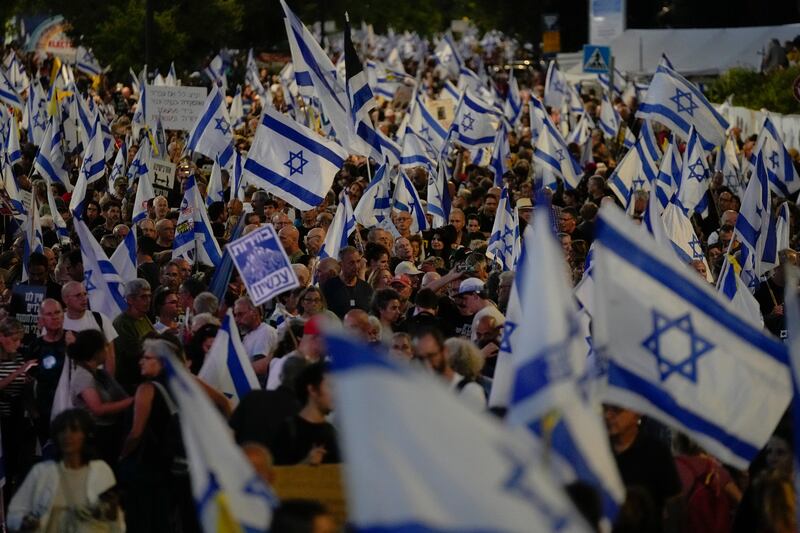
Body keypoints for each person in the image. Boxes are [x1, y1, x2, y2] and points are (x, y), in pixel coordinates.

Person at [8, 409, 125, 532]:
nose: (67, 435)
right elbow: (15, 514)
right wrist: (25, 521)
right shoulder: (41, 472)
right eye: (62, 430)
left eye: (74, 429)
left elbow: (116, 521)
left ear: (86, 434)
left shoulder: (100, 470)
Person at [603, 405, 682, 524]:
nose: (607, 415)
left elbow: (674, 505)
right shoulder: (596, 449)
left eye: (617, 410)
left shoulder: (656, 452)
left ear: (637, 413)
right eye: (605, 408)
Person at [68, 330, 132, 465]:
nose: (108, 350)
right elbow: (98, 409)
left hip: (107, 436)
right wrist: (131, 401)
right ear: (96, 352)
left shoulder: (100, 374)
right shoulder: (83, 376)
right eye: (105, 346)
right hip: (94, 438)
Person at [271, 362, 340, 465]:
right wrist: (305, 464)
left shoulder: (333, 435)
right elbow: (276, 477)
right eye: (331, 386)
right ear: (312, 389)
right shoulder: (287, 430)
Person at [0, 317, 38, 497]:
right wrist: (20, 371)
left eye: (20, 340)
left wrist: (27, 379)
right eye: (14, 340)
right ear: (2, 337)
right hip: (2, 418)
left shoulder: (18, 356)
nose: (18, 344)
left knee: (18, 460)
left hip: (17, 417)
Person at [412, 327, 485, 412]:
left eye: (431, 356)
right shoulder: (417, 388)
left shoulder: (470, 391)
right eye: (421, 358)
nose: (427, 363)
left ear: (445, 351)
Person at [28, 299, 68, 445]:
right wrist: (34, 413)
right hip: (45, 413)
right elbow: (27, 381)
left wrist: (74, 348)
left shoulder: (76, 339)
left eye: (57, 312)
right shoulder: (35, 347)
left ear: (63, 315)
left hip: (72, 411)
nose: (55, 317)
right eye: (49, 314)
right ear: (41, 319)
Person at [62, 281, 118, 374]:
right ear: (66, 299)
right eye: (78, 295)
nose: (84, 298)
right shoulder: (57, 322)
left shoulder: (100, 319)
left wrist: (107, 383)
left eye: (85, 294)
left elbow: (110, 356)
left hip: (96, 380)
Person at [112, 279, 155, 394]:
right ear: (130, 299)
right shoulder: (122, 323)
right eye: (143, 297)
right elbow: (134, 353)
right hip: (130, 384)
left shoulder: (143, 317)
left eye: (149, 296)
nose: (148, 300)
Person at [233, 296, 278, 379]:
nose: (236, 319)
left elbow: (258, 369)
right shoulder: (248, 335)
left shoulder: (265, 332)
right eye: (235, 315)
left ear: (254, 312)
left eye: (240, 314)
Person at [321, 246, 373, 319]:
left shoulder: (366, 288)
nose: (356, 266)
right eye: (351, 263)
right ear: (341, 264)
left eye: (358, 261)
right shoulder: (329, 286)